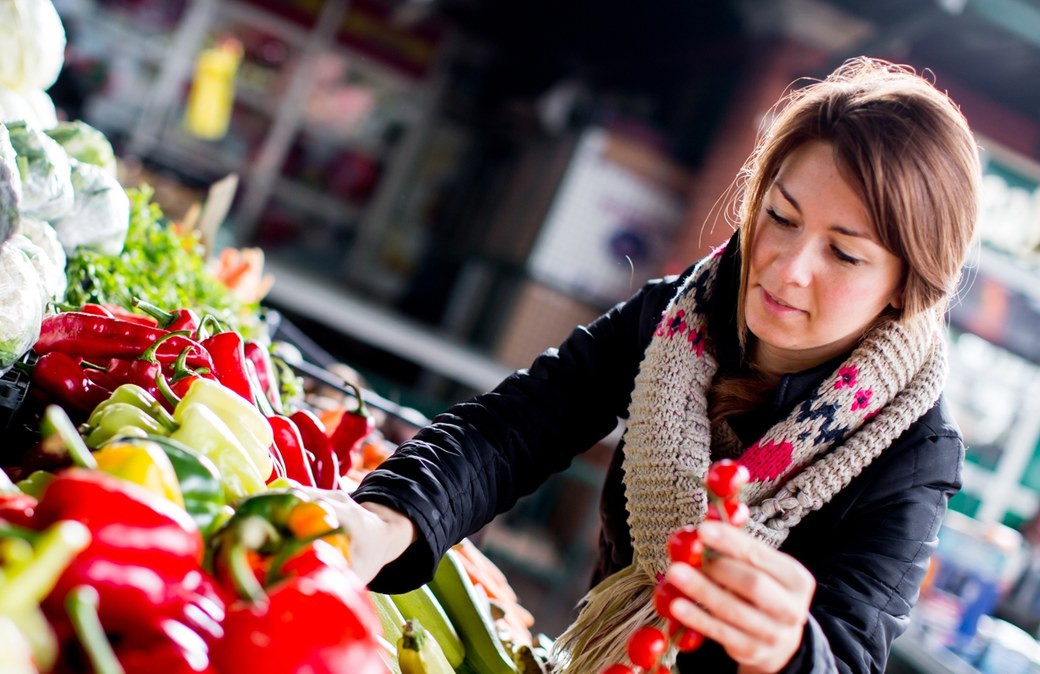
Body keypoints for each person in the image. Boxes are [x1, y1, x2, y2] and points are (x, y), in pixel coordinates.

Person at [319, 56, 981, 673]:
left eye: (844, 254)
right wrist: (384, 520)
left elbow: (849, 653)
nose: (789, 267)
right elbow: (511, 430)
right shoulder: (682, 317)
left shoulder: (913, 452)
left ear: (904, 285)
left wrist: (791, 651)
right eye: (781, 216)